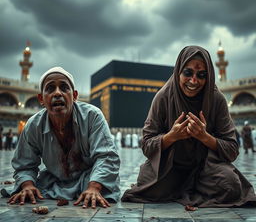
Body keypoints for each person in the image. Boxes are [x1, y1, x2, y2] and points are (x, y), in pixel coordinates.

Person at [121, 45, 256, 207]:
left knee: (230, 185)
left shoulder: (216, 99)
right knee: (147, 181)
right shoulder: (163, 97)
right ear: (178, 70)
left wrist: (204, 137)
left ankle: (189, 188)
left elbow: (232, 149)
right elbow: (146, 145)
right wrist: (171, 137)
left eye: (201, 75)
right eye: (188, 73)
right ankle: (192, 189)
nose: (194, 81)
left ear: (209, 76)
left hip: (207, 168)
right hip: (171, 168)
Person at [2, 67, 120, 208]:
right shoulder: (33, 125)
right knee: (32, 190)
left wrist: (94, 187)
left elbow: (106, 156)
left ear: (74, 96)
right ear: (41, 99)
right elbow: (24, 164)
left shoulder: (92, 116)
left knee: (105, 188)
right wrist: (27, 185)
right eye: (50, 89)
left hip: (90, 178)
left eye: (64, 88)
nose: (58, 93)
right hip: (54, 181)